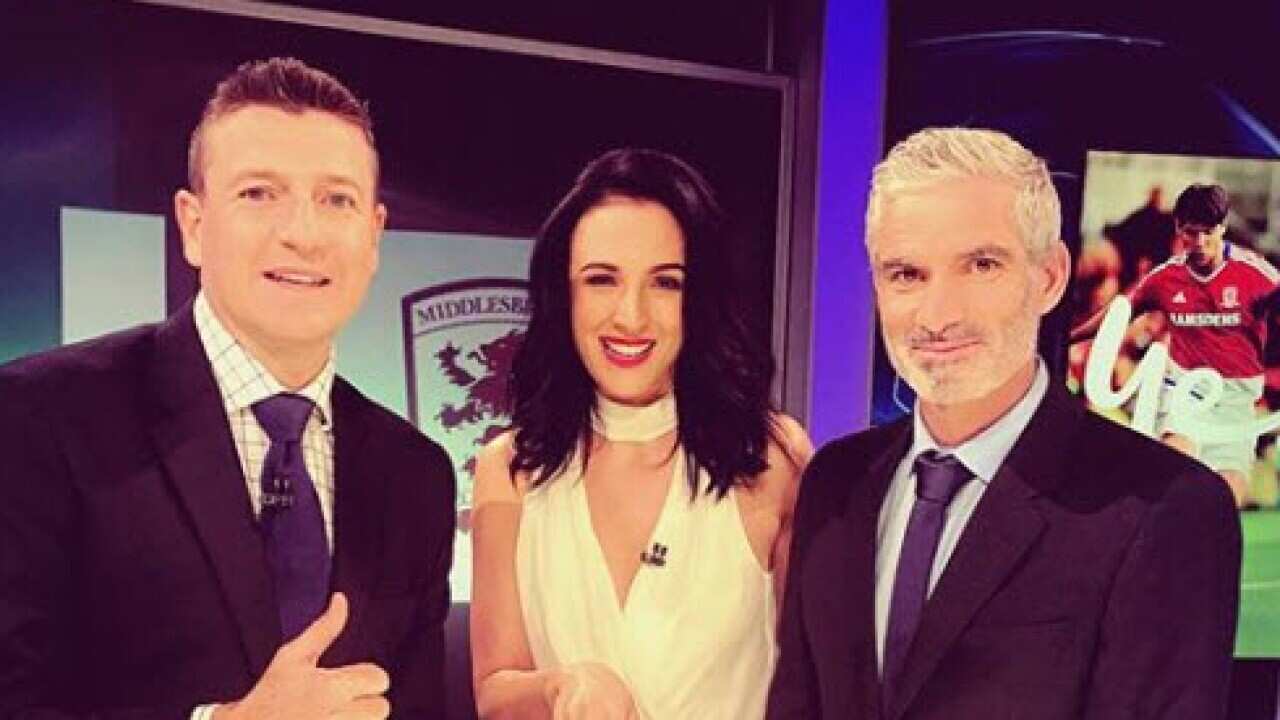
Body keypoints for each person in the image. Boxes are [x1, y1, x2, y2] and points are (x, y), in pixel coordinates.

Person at [0, 57, 455, 719]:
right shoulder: (38, 418)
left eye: (337, 200)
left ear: (374, 236)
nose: (302, 234)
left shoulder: (417, 474)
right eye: (259, 193)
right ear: (192, 224)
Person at [767, 128, 1240, 719]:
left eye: (981, 265)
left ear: (1050, 277)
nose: (938, 314)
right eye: (907, 274)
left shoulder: (1165, 507)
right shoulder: (835, 481)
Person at [469, 148, 812, 719]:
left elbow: (816, 690)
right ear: (565, 293)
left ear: (699, 297)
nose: (631, 316)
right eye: (602, 280)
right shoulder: (510, 467)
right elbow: (496, 693)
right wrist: (563, 687)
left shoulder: (770, 459)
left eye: (666, 283)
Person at [1071, 183, 1280, 507]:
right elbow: (1119, 314)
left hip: (1236, 402)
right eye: (1191, 233)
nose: (1199, 243)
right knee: (1171, 469)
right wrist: (1067, 335)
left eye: (1207, 232)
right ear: (1179, 229)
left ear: (1222, 227)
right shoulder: (1165, 277)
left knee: (1224, 502)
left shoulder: (1256, 274)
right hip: (1185, 391)